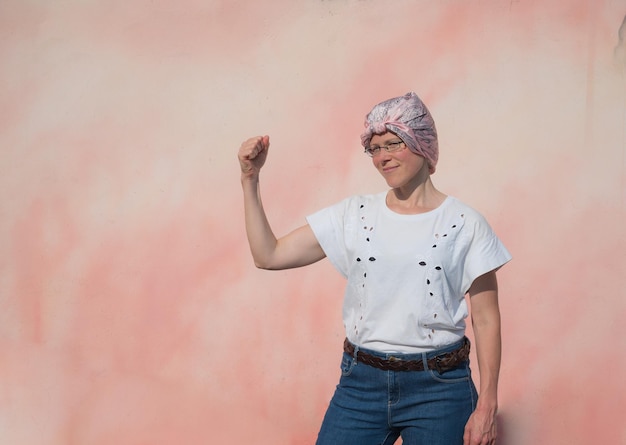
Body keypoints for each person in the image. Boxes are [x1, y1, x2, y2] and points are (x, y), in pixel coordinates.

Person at [237, 92, 511, 445]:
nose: (382, 157)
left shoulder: (465, 223)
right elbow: (268, 255)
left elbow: (486, 318)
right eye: (375, 148)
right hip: (360, 382)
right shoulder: (355, 215)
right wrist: (250, 179)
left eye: (393, 144)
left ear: (421, 143)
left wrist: (488, 403)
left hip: (440, 389)